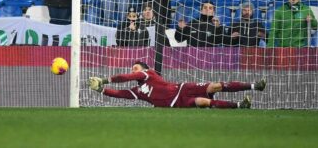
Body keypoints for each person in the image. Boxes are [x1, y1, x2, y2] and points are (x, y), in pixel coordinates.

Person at [88, 61, 266, 108]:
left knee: (215, 86)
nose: (133, 71)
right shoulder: (137, 91)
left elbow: (125, 77)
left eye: (135, 68)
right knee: (202, 102)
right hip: (175, 103)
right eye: (132, 69)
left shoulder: (147, 73)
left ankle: (254, 86)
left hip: (181, 88)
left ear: (143, 69)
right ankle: (240, 105)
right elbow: (120, 94)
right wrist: (101, 89)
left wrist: (105, 79)